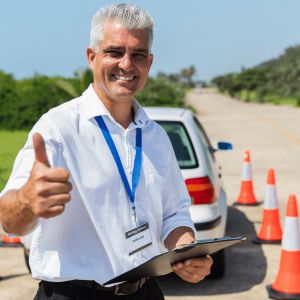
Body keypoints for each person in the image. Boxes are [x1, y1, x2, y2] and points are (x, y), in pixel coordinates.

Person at [0, 4, 212, 299]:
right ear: (92, 57)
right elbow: (9, 221)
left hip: (146, 291)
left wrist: (187, 251)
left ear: (149, 63)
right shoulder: (57, 129)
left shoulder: (156, 136)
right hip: (74, 294)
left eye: (138, 54)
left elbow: (174, 213)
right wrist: (26, 200)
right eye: (115, 52)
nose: (127, 64)